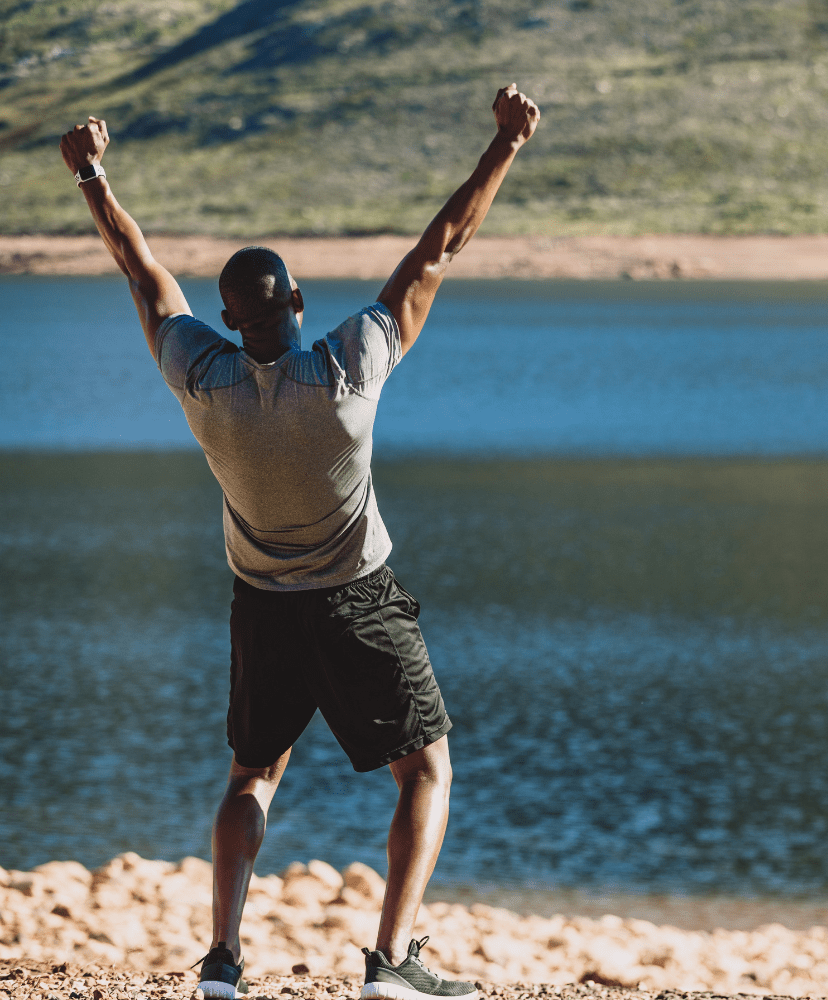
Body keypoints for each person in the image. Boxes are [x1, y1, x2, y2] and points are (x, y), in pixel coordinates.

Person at [58, 83, 540, 1000]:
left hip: (262, 606)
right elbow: (440, 248)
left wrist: (92, 174)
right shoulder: (352, 365)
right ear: (300, 304)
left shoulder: (201, 376)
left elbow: (140, 268)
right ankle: (393, 963)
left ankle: (224, 962)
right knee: (426, 770)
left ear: (232, 318)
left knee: (251, 774)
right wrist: (505, 146)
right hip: (359, 599)